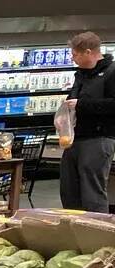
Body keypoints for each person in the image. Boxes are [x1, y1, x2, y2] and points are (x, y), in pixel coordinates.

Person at [61, 31, 115, 211]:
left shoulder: (111, 72)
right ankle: (72, 231)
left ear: (88, 52)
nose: (72, 58)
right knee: (69, 191)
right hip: (74, 139)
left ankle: (97, 234)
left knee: (92, 192)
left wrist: (81, 104)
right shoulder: (81, 75)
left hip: (98, 139)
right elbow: (73, 100)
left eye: (75, 54)